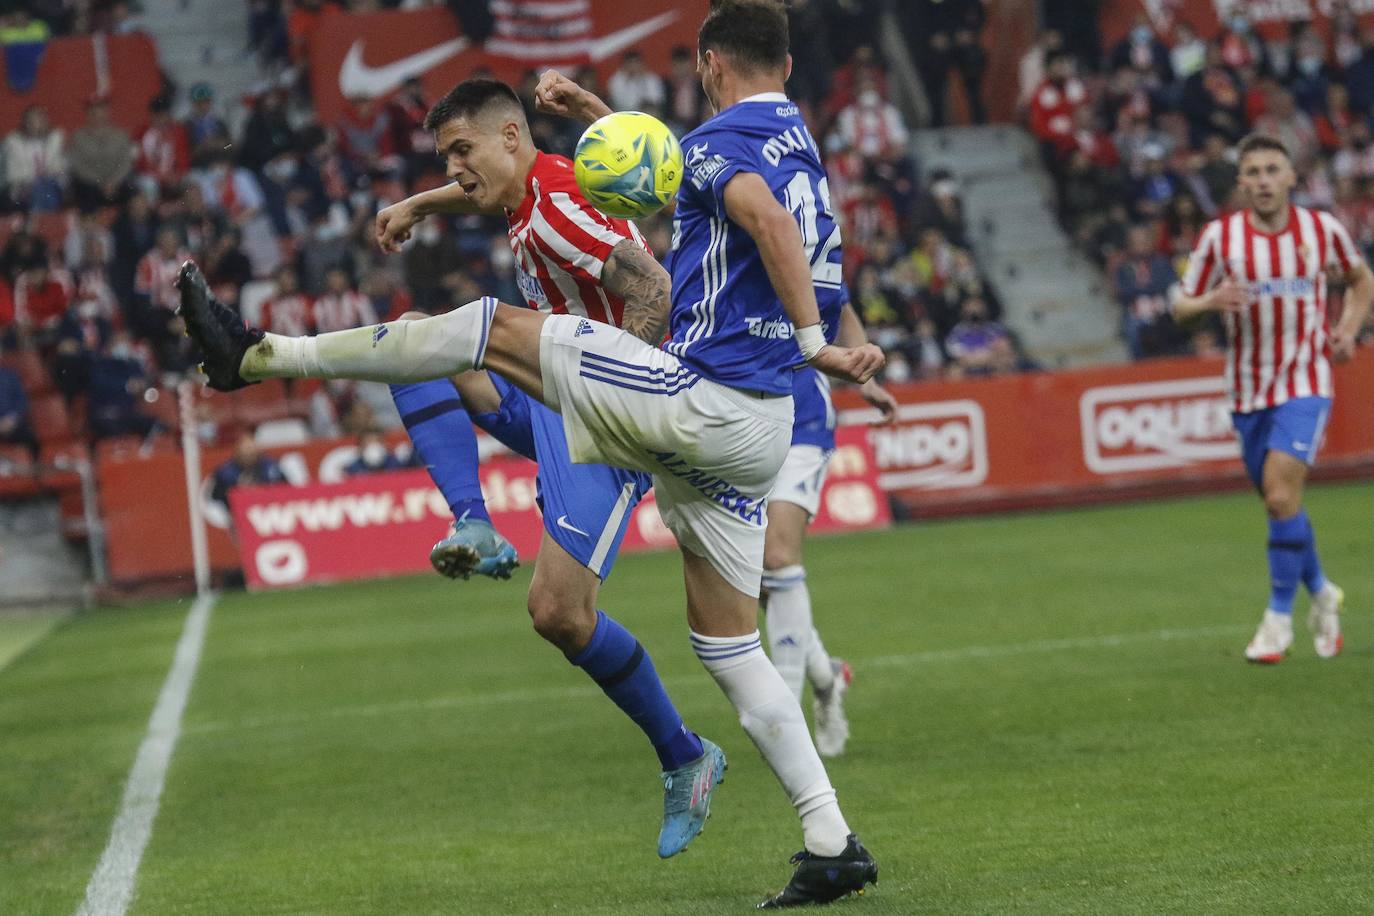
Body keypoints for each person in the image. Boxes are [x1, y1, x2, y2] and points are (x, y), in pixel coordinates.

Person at [179, 2, 882, 905]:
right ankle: (831, 839)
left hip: (698, 398)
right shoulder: (792, 139)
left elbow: (735, 218)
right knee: (729, 649)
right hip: (754, 428)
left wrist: (815, 336)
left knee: (484, 330)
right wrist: (585, 116)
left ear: (709, 66)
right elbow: (691, 178)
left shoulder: (711, 149)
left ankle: (260, 357)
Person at [1173, 134, 1373, 664]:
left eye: (1272, 170)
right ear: (1241, 183)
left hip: (1307, 379)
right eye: (1253, 172)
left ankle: (1278, 620)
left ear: (1291, 178)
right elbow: (1178, 304)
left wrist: (1348, 330)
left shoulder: (1320, 230)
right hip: (1246, 389)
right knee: (1280, 501)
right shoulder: (1220, 238)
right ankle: (1322, 591)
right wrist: (1208, 300)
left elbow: (1361, 280)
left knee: (1281, 495)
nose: (1263, 180)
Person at [761, 294, 896, 759]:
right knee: (754, 578)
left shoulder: (792, 241)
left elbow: (845, 307)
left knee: (777, 559)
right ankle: (826, 675)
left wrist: (867, 381)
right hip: (734, 422)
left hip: (803, 421)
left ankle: (785, 722)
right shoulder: (702, 248)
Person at [210, 430, 286, 513]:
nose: (248, 454)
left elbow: (287, 489)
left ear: (258, 451)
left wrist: (262, 488)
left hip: (270, 510)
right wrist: (236, 491)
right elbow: (215, 497)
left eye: (251, 452)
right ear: (237, 452)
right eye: (245, 451)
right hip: (237, 512)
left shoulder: (271, 467)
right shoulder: (225, 472)